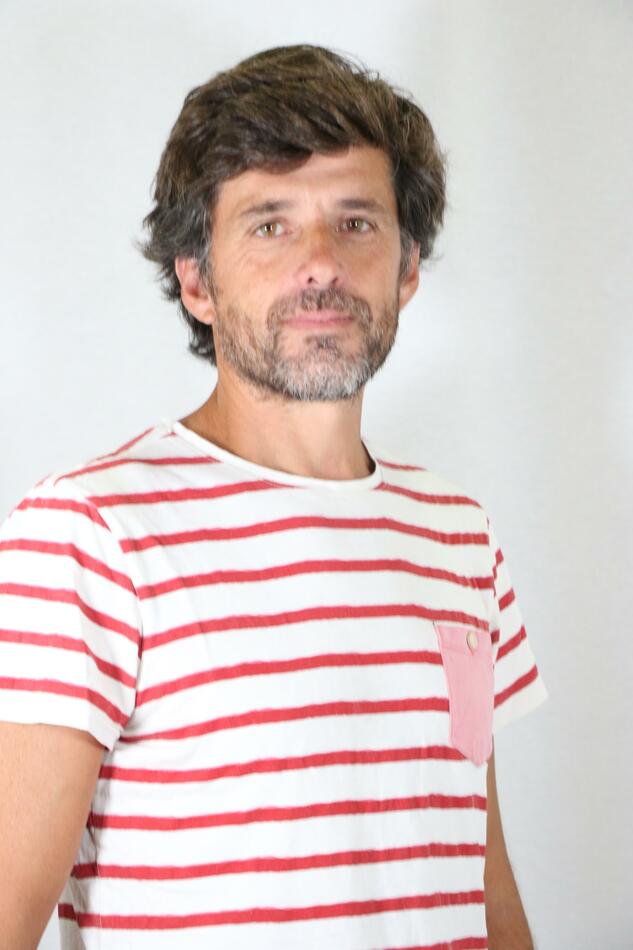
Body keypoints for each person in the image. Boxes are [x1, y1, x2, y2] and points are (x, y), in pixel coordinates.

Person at [0, 44, 548, 949]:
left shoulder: (458, 537)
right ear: (196, 279)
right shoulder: (87, 535)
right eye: (269, 225)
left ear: (408, 267)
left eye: (356, 222)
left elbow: (474, 871)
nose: (320, 264)